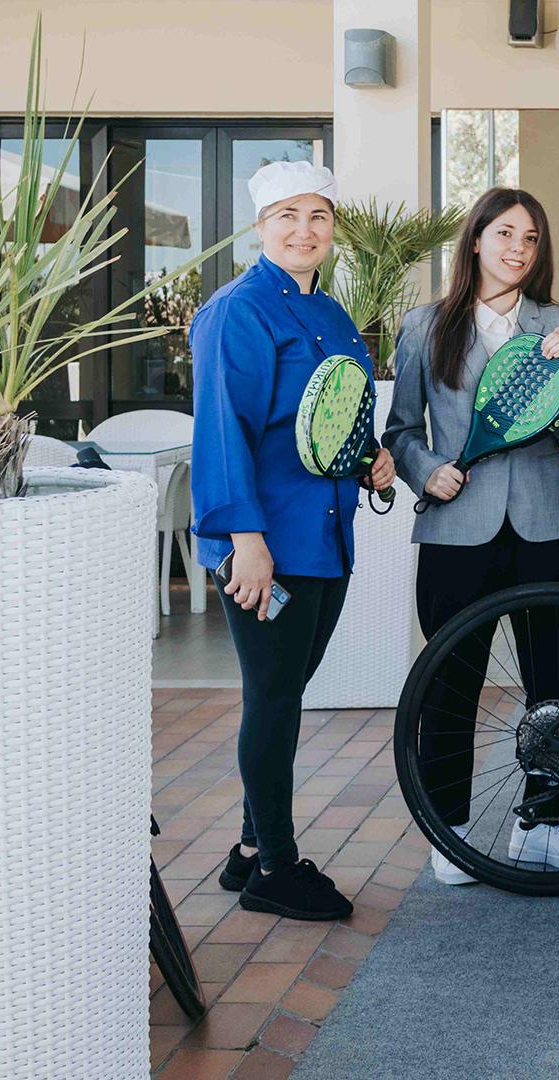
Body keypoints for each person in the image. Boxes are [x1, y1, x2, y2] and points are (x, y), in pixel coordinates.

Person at [191, 160, 396, 921]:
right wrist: (245, 539)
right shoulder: (236, 311)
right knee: (272, 698)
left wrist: (371, 458)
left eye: (318, 216)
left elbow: (337, 416)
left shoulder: (334, 314)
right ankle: (276, 867)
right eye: (287, 215)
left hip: (327, 538)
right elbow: (222, 432)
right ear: (259, 226)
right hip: (266, 543)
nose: (304, 230)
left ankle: (248, 851)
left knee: (285, 694)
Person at [383, 187, 559, 885]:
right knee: (452, 680)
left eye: (531, 239)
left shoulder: (557, 320)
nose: (517, 249)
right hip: (457, 525)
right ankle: (453, 832)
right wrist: (425, 471)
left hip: (545, 521)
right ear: (474, 240)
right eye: (505, 234)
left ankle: (543, 825)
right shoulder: (425, 325)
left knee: (555, 682)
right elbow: (402, 430)